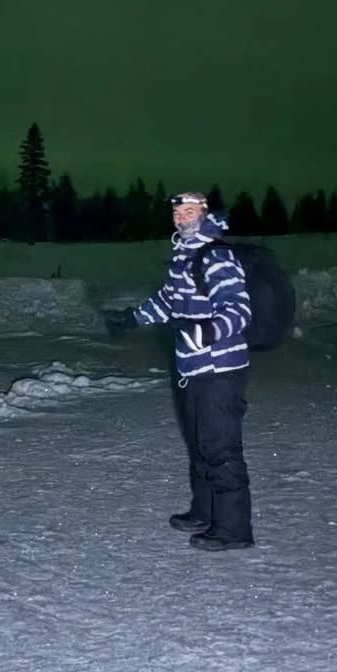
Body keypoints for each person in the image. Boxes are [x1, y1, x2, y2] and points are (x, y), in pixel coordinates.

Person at [105, 192, 254, 551]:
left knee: (220, 448)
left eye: (189, 212)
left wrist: (207, 330)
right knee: (201, 444)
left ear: (204, 214)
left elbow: (239, 309)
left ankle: (234, 530)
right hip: (193, 366)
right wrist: (132, 317)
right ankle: (205, 511)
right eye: (177, 213)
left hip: (220, 368)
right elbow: (168, 303)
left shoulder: (216, 256)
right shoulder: (184, 257)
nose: (181, 218)